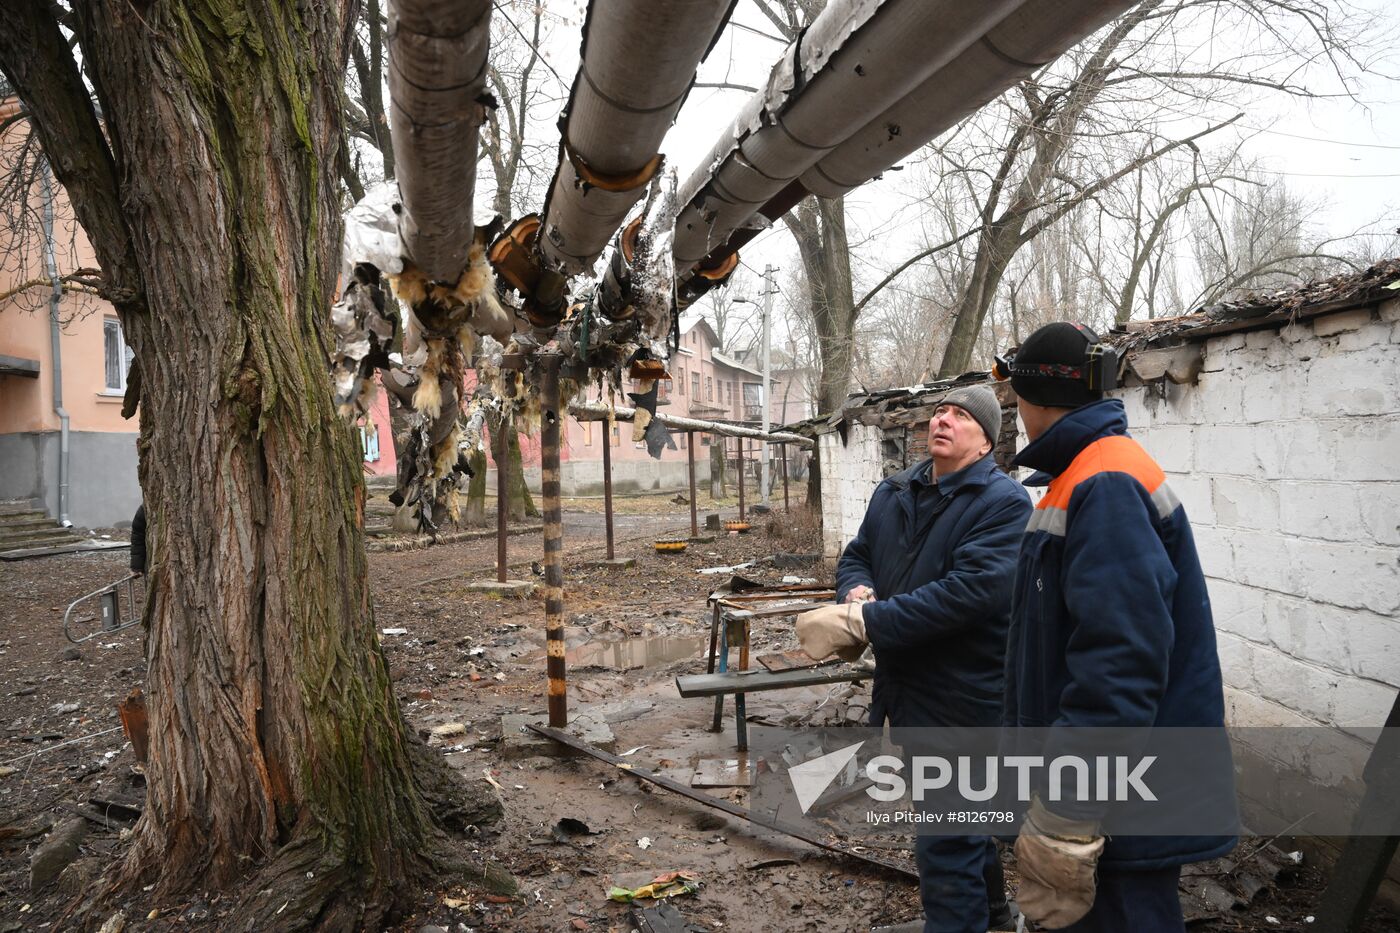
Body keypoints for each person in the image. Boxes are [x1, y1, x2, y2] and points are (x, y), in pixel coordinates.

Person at [998, 322, 1236, 932]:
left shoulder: (1102, 484)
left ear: (1034, 396)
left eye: (1014, 396)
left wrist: (1066, 814)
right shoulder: (1089, 473)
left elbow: (1119, 665)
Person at [797, 385, 1032, 933]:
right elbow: (858, 554)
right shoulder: (895, 491)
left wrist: (867, 623)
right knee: (961, 822)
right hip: (908, 691)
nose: (944, 420)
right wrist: (856, 592)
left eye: (962, 416)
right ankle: (996, 916)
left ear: (987, 443)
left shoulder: (1004, 505)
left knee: (946, 840)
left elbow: (968, 594)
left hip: (965, 699)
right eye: (941, 411)